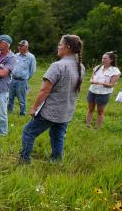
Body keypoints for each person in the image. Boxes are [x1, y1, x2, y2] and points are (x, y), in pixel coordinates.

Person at [20, 34, 85, 163]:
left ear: (67, 47)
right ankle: (56, 161)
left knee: (28, 132)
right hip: (66, 111)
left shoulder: (58, 66)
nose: (58, 46)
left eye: (60, 44)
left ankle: (24, 159)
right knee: (58, 136)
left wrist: (33, 108)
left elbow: (44, 90)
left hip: (51, 111)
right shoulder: (81, 67)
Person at [86, 51, 120, 128]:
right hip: (92, 91)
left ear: (111, 60)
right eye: (102, 58)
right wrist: (92, 81)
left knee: (100, 112)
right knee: (90, 109)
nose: (103, 60)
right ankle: (87, 126)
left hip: (103, 93)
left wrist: (101, 83)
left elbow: (111, 85)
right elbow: (91, 79)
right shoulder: (97, 67)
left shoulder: (115, 71)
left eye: (105, 58)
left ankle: (96, 128)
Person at [8, 40, 36, 115]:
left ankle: (22, 113)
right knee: (10, 97)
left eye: (21, 46)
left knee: (22, 99)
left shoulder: (31, 57)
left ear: (26, 47)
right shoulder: (16, 55)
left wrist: (25, 79)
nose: (19, 47)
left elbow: (32, 71)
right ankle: (9, 111)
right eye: (19, 45)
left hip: (22, 81)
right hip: (13, 79)